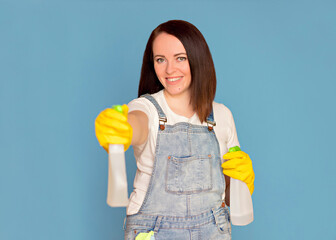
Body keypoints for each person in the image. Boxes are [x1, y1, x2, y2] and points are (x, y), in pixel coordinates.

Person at [95, 20, 254, 240]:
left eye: (180, 58)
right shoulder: (146, 109)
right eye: (160, 60)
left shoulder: (222, 116)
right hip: (155, 232)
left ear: (198, 59)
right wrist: (123, 129)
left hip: (212, 232)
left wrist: (241, 183)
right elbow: (137, 123)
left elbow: (230, 200)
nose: (170, 70)